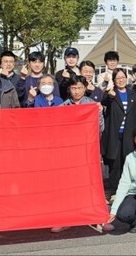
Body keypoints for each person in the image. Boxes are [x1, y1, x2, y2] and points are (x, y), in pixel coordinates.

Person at [54, 75, 109, 233]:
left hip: (89, 151)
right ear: (69, 89)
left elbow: (100, 130)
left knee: (93, 185)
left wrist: (98, 113)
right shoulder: (63, 106)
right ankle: (67, 218)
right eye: (73, 88)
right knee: (69, 186)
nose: (76, 91)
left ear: (85, 89)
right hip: (70, 152)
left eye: (79, 88)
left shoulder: (92, 105)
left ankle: (99, 219)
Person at [101, 69, 136, 197]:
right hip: (114, 134)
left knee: (127, 161)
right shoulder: (112, 94)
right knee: (114, 163)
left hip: (129, 133)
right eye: (118, 78)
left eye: (123, 77)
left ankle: (128, 188)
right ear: (114, 80)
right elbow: (104, 101)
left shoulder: (132, 94)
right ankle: (114, 189)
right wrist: (109, 95)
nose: (121, 80)